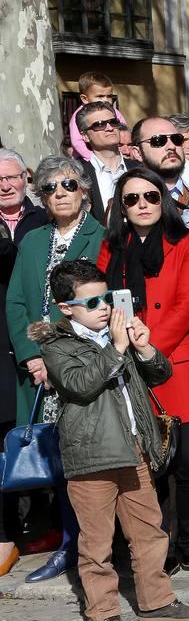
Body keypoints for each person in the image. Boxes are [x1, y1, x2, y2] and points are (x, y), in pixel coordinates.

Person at [33, 259, 189, 621]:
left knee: (149, 531)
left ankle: (156, 601)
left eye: (107, 298)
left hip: (134, 448)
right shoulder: (57, 345)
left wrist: (143, 349)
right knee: (96, 542)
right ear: (66, 308)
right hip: (91, 456)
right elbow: (79, 384)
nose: (105, 308)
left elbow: (159, 374)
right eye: (92, 303)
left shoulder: (119, 334)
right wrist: (117, 347)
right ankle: (102, 612)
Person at [98, 168, 189, 575]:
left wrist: (152, 344)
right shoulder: (110, 246)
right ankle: (160, 547)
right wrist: (128, 341)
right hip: (132, 365)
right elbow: (103, 299)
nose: (143, 205)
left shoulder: (184, 241)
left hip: (178, 361)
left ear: (163, 200)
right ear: (121, 206)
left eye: (151, 197)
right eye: (132, 199)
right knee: (151, 467)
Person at [6, 156, 105, 583]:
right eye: (49, 188)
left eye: (68, 185)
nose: (60, 193)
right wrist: (32, 354)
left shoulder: (101, 236)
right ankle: (68, 544)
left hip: (82, 364)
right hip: (39, 373)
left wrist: (57, 355)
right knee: (58, 461)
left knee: (90, 459)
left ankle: (98, 547)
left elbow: (96, 302)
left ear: (83, 189)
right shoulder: (32, 241)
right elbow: (15, 302)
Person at [0, 149, 47, 578]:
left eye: (12, 177)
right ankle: (6, 533)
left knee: (41, 436)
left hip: (38, 348)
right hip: (2, 346)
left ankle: (43, 527)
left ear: (25, 178)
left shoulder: (41, 220)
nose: (5, 185)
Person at [73, 101, 141, 223]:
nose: (109, 128)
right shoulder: (77, 175)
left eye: (113, 122)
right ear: (85, 136)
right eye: (99, 125)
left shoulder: (140, 170)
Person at [133, 116, 189, 229]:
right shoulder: (128, 201)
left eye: (177, 139)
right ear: (138, 153)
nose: (171, 146)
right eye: (159, 140)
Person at [67, 71, 127, 161]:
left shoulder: (114, 112)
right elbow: (77, 142)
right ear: (85, 99)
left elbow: (124, 130)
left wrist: (123, 150)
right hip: (86, 159)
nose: (106, 100)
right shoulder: (79, 116)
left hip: (114, 156)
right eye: (100, 96)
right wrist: (91, 158)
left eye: (109, 96)